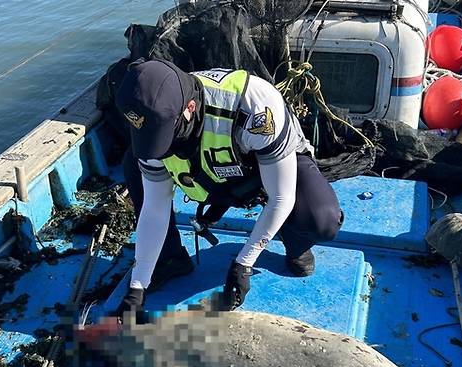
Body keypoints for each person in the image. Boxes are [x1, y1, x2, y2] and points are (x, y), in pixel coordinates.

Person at [114, 59, 343, 313]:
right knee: (133, 165)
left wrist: (244, 263)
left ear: (190, 108)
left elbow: (281, 196)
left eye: (165, 134)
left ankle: (296, 242)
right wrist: (138, 285)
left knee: (322, 220)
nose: (161, 148)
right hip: (209, 175)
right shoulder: (152, 117)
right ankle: (168, 258)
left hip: (264, 169)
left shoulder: (255, 106)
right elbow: (154, 208)